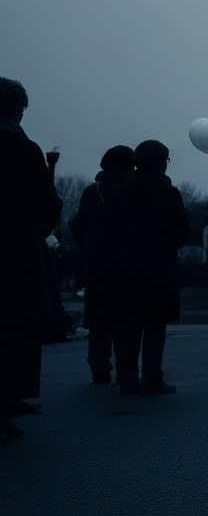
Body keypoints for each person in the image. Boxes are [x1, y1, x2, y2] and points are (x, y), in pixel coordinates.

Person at [0, 78, 62, 441]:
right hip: (15, 248)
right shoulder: (21, 147)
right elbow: (44, 202)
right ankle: (7, 400)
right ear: (16, 109)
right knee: (14, 326)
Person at [113, 141, 188, 396]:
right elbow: (180, 232)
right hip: (158, 268)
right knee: (155, 326)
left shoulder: (120, 191)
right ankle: (152, 377)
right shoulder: (168, 193)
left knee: (128, 324)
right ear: (160, 162)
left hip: (126, 267)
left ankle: (127, 377)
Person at [71, 145, 137, 384]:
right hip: (127, 266)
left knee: (99, 322)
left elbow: (78, 227)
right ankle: (127, 370)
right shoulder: (134, 192)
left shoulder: (92, 192)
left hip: (97, 266)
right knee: (126, 320)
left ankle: (99, 367)